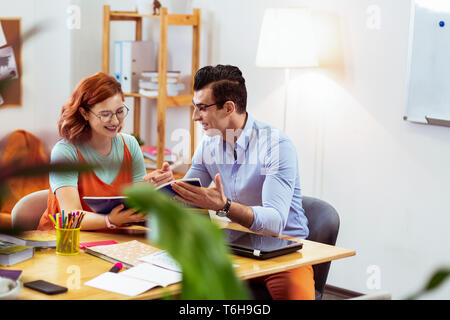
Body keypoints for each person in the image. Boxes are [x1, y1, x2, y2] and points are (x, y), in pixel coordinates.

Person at [144, 64, 315, 300]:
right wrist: (167, 187)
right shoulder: (209, 144)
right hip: (232, 248)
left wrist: (224, 206)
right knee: (174, 290)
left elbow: (274, 222)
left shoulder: (275, 146)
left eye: (202, 108)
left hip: (282, 252)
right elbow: (192, 194)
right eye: (195, 108)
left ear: (228, 108)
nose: (195, 117)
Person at [37, 72, 148, 230]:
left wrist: (153, 188)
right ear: (84, 113)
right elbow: (70, 215)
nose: (115, 121)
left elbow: (139, 205)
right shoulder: (65, 152)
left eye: (120, 111)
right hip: (63, 242)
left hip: (112, 241)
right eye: (105, 114)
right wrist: (109, 220)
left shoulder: (130, 145)